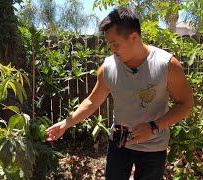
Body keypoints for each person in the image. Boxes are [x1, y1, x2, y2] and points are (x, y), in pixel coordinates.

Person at [45, 7, 194, 180]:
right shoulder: (108, 68)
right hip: (119, 142)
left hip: (153, 146)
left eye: (115, 44)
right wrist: (66, 123)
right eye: (109, 44)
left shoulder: (166, 65)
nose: (112, 49)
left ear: (134, 37)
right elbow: (92, 102)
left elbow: (186, 105)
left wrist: (154, 127)